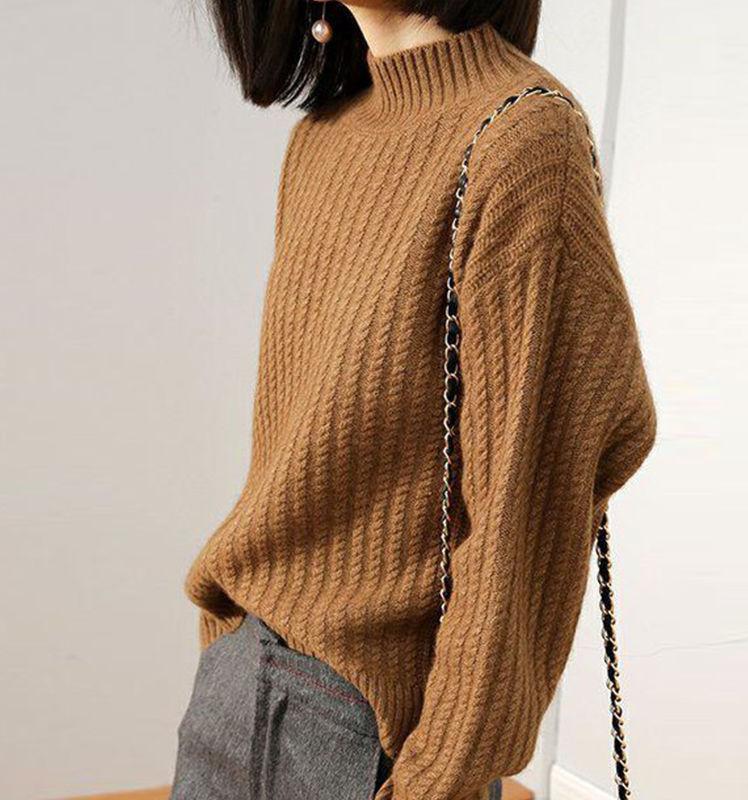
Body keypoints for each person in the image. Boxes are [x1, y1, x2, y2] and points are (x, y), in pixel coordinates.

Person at [171, 2, 657, 799]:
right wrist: (232, 640)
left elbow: (523, 505)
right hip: (238, 684)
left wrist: (441, 775)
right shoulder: (321, 139)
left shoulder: (521, 140)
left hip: (365, 733)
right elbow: (294, 453)